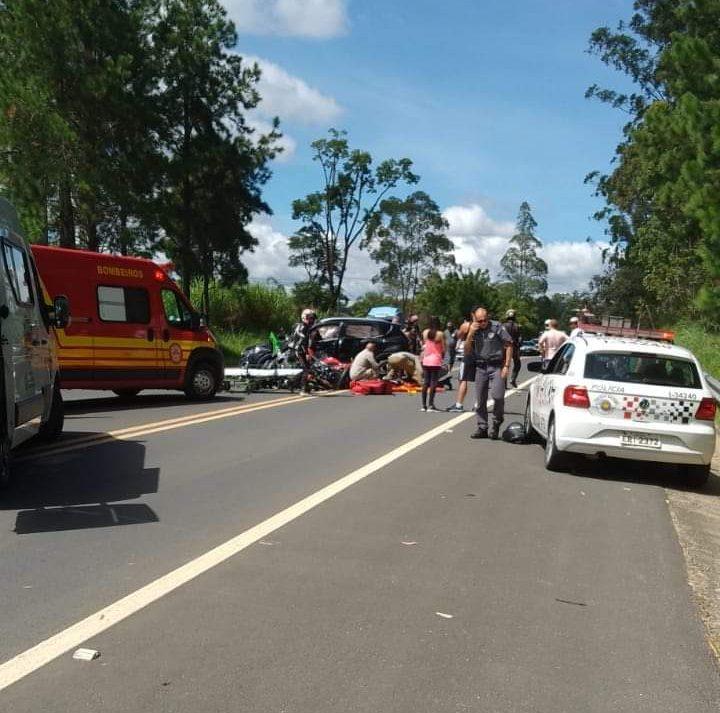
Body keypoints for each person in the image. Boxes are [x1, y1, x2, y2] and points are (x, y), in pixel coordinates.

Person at [465, 307, 514, 440]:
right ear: (475, 318)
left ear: (488, 317)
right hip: (480, 367)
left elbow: (509, 344)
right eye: (479, 320)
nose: (483, 323)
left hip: (496, 366)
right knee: (480, 400)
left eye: (485, 320)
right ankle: (482, 427)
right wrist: (470, 334)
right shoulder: (473, 329)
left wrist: (506, 366)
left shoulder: (497, 327)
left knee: (497, 396)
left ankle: (497, 421)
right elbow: (467, 351)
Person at [446, 312, 473, 412]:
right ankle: (479, 403)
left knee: (463, 379)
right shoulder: (485, 326)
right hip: (481, 356)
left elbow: (460, 336)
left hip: (468, 354)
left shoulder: (466, 325)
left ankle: (459, 405)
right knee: (481, 381)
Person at [290, 308, 319, 394]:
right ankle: (302, 389)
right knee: (306, 369)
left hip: (299, 349)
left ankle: (293, 384)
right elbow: (302, 342)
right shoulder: (303, 327)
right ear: (304, 317)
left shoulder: (303, 326)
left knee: (306, 368)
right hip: (299, 350)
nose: (312, 320)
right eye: (310, 318)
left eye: (312, 318)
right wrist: (306, 353)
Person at [420, 317, 445, 412]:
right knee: (433, 382)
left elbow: (424, 344)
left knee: (426, 382)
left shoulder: (425, 332)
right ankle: (431, 404)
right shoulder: (440, 334)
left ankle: (423, 405)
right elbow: (443, 348)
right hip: (436, 360)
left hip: (426, 359)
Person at [501, 309, 522, 388]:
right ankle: (513, 378)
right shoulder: (518, 326)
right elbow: (520, 338)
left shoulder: (502, 326)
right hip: (514, 348)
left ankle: (504, 383)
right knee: (517, 364)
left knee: (504, 364)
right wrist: (518, 346)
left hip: (504, 347)